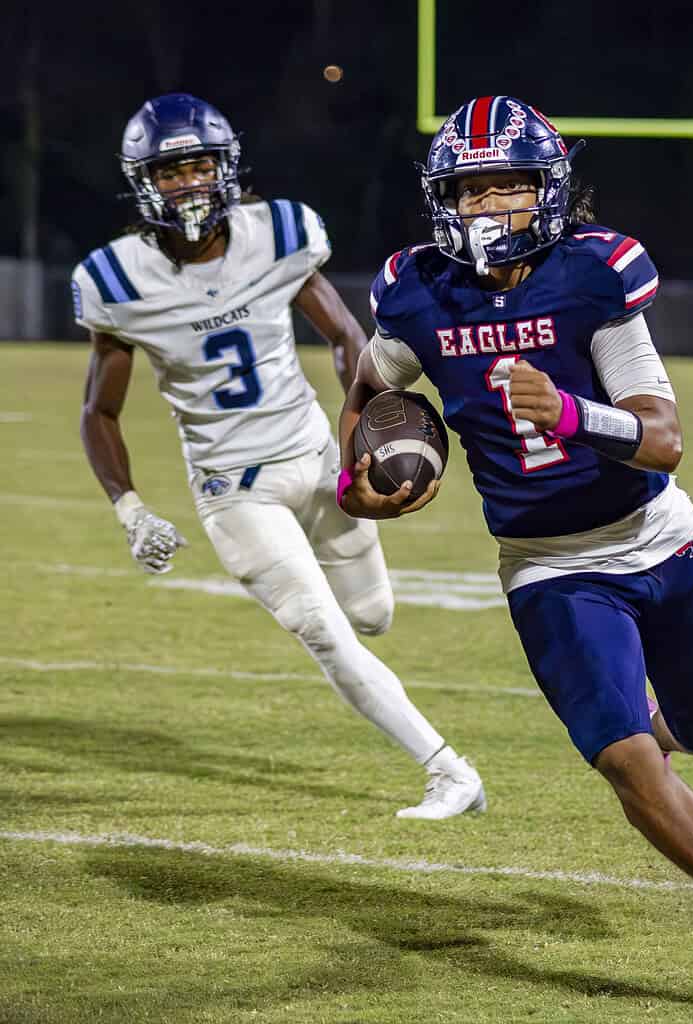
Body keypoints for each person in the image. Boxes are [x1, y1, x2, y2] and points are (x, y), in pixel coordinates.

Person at [338, 96, 693, 1006]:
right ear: (442, 199)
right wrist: (359, 479)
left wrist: (569, 414)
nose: (492, 207)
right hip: (548, 564)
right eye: (472, 189)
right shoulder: (416, 292)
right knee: (624, 757)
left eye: (511, 186)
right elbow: (372, 387)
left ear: (551, 188)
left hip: (659, 538)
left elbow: (662, 439)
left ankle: (652, 710)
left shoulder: (593, 274)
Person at [73, 93, 485, 821]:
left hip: (319, 459)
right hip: (235, 491)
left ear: (228, 168)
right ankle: (449, 771)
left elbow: (345, 337)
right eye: (172, 172)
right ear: (145, 183)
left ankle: (430, 745)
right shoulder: (116, 280)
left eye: (201, 165)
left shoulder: (280, 233)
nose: (190, 184)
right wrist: (129, 507)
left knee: (374, 615)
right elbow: (99, 410)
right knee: (323, 630)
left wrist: (367, 432)